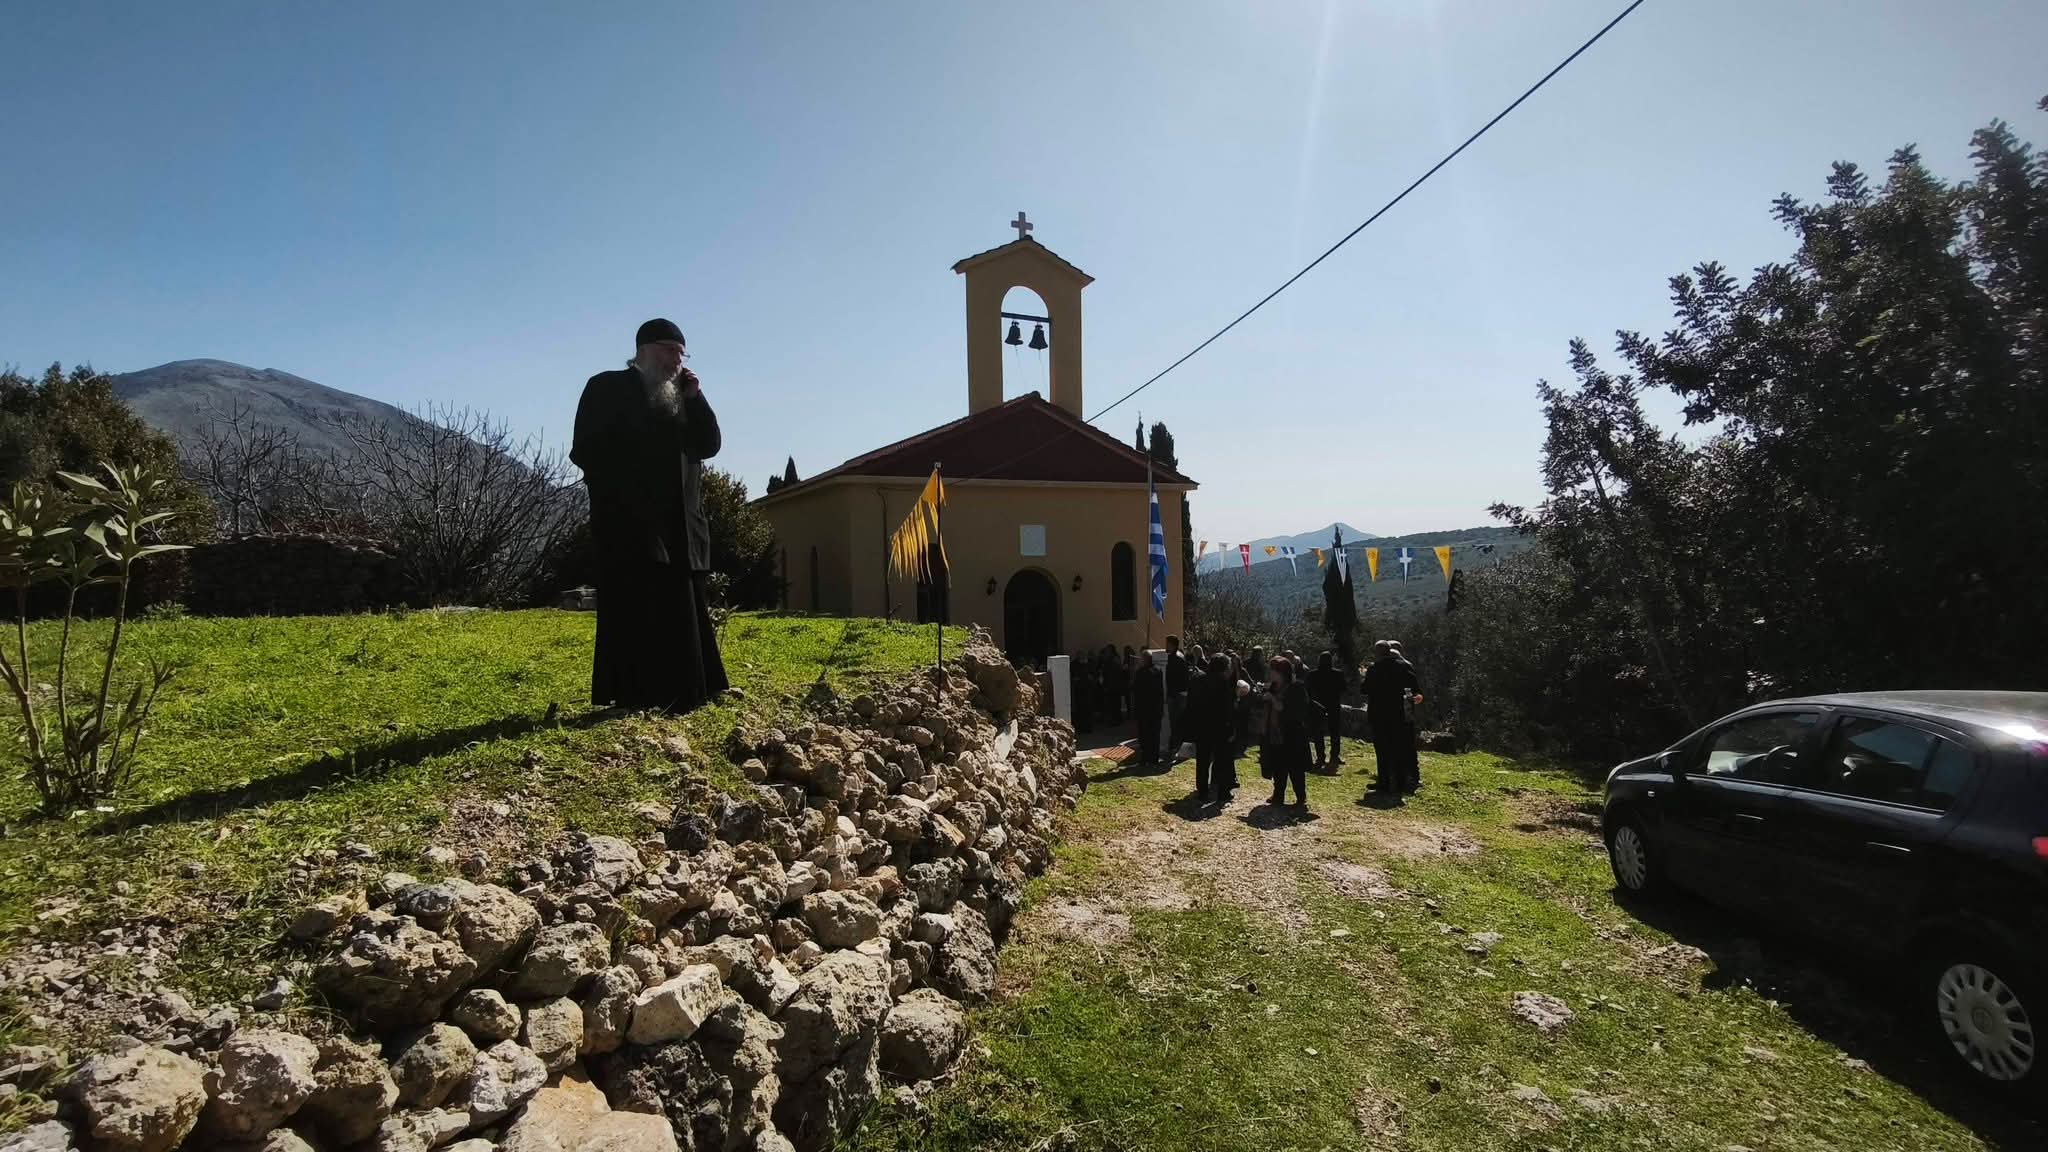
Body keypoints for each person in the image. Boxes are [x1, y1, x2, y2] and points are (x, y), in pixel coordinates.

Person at [571, 318, 728, 713]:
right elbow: (586, 450)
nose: (677, 360)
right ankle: (634, 695)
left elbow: (709, 445)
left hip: (681, 522)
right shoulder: (606, 387)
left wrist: (696, 398)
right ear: (644, 350)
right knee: (634, 607)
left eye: (682, 353)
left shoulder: (683, 395)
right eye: (669, 350)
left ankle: (691, 691)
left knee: (683, 609)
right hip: (629, 520)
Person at [1363, 640, 1422, 795]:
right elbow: (1414, 688)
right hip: (1398, 714)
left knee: (1382, 750)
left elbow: (1364, 689)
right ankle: (1400, 783)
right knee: (1399, 747)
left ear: (1377, 653)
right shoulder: (1403, 667)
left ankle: (1384, 783)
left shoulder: (1373, 668)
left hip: (1378, 715)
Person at [1268, 658, 1312, 807]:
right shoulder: (1274, 686)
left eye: (1272, 670)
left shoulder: (1296, 687)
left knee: (1295, 767)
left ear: (1281, 672)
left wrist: (1274, 701)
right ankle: (1278, 795)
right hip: (1276, 731)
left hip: (1292, 732)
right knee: (1278, 766)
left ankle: (1300, 797)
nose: (1270, 673)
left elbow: (1295, 710)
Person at [1196, 653, 1239, 803]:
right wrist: (1231, 728)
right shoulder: (1224, 683)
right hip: (1220, 727)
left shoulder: (1199, 680)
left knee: (1202, 761)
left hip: (1202, 725)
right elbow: (1227, 709)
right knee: (1222, 761)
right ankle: (1223, 793)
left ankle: (1202, 792)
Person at [1307, 651, 1346, 769]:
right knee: (1335, 732)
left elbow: (1308, 690)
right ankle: (1334, 756)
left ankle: (1320, 757)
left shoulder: (1312, 674)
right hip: (1333, 705)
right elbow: (1343, 688)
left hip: (1317, 705)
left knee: (1318, 733)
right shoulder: (1338, 674)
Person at [1132, 650, 1165, 767]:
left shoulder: (1140, 672)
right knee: (1154, 734)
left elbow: (1136, 691)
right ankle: (1154, 757)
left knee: (1144, 734)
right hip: (1155, 708)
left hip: (1144, 709)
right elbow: (1160, 691)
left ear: (1145, 659)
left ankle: (1145, 758)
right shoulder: (1158, 671)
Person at [1164, 635, 1191, 760]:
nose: (1166, 646)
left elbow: (1179, 678)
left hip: (1177, 695)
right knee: (1176, 723)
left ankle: (1176, 747)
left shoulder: (1176, 658)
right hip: (1176, 694)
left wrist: (1174, 693)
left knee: (1176, 723)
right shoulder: (1177, 657)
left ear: (1172, 644)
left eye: (1167, 644)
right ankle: (1175, 746)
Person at [1098, 644, 1125, 725]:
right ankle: (1117, 719)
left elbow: (1109, 673)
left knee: (1113, 703)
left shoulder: (1111, 660)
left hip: (1112, 685)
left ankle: (1115, 720)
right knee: (1115, 703)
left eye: (1107, 650)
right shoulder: (1115, 659)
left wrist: (1106, 684)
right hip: (1115, 684)